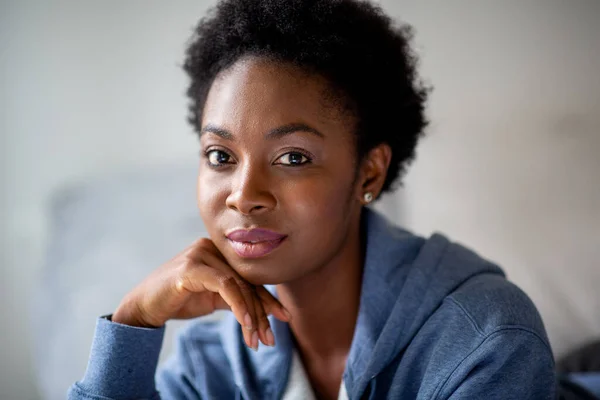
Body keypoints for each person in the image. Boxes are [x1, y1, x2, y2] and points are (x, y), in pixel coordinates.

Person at [68, 0, 564, 399]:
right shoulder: (211, 358)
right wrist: (134, 321)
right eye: (220, 155)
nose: (244, 196)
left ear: (369, 171)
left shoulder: (486, 342)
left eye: (293, 158)